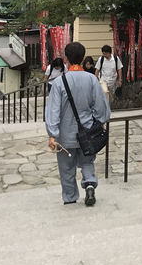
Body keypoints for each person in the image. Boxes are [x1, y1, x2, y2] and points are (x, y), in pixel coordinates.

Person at [46, 41, 111, 206]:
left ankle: (70, 197)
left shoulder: (59, 82)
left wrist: (52, 134)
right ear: (83, 58)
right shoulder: (91, 79)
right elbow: (101, 105)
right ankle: (89, 183)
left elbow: (53, 109)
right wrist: (101, 120)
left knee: (66, 167)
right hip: (88, 131)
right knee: (87, 161)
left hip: (65, 134)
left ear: (66, 59)